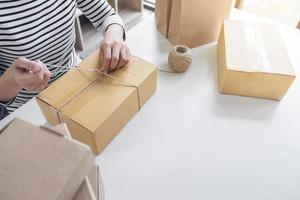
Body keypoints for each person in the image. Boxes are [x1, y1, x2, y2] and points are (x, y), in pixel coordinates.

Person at [0, 0, 130, 115]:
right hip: (28, 108)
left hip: (77, 80)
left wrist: (114, 33)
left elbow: (106, 16)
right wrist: (13, 81)